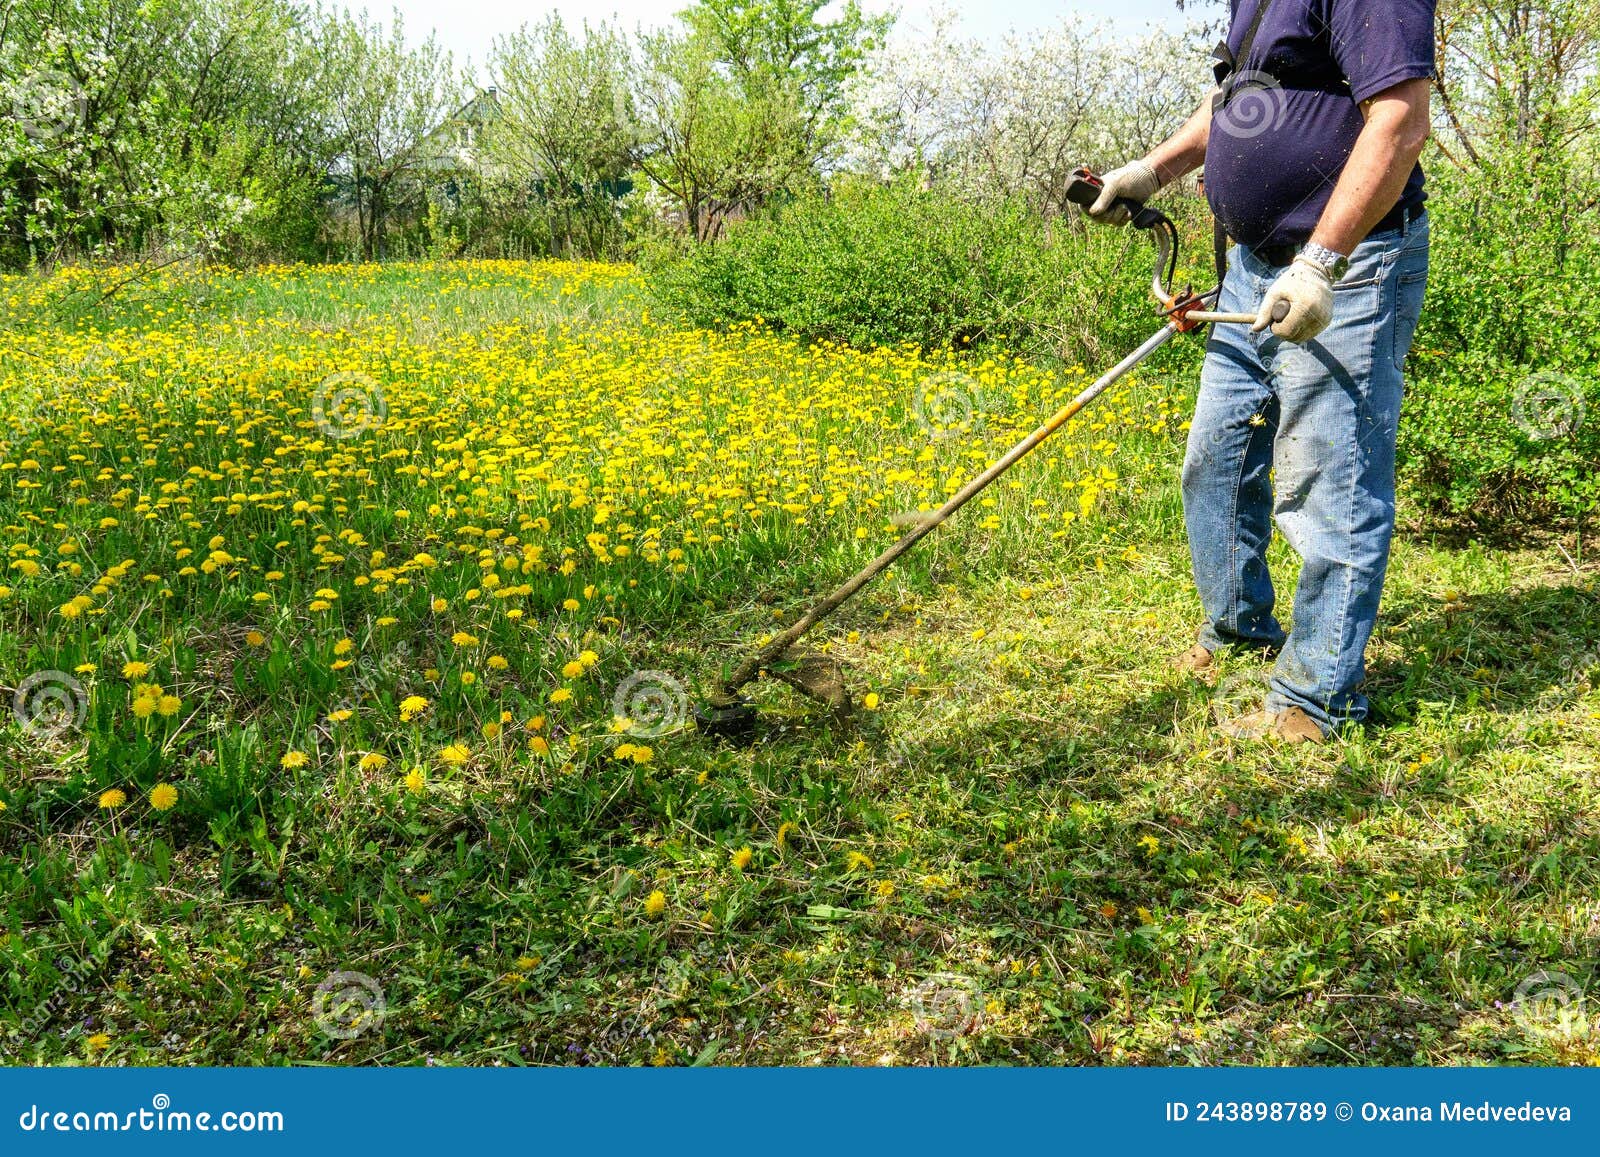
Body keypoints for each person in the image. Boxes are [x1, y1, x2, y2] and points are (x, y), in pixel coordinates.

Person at [1081, 0, 1437, 743]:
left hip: (1347, 265)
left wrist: (1321, 262)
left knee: (1329, 480)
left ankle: (1318, 698)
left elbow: (1399, 121)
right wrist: (1154, 170)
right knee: (1214, 461)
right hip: (1253, 268)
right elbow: (1238, 105)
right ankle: (1239, 631)